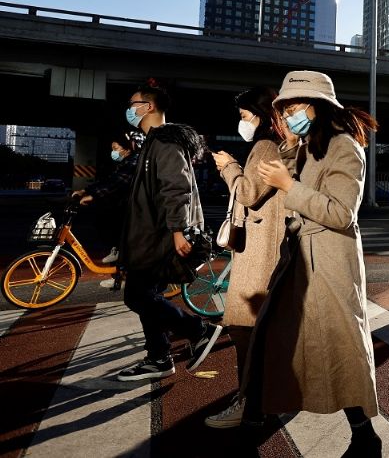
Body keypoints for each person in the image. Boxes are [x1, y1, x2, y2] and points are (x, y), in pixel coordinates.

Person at [250, 71, 381, 454]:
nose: (289, 114)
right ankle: (263, 406)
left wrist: (288, 186)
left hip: (329, 260)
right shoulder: (310, 145)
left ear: (317, 106)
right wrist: (291, 150)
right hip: (302, 261)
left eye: (294, 107)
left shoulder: (344, 147)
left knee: (339, 345)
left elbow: (341, 213)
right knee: (283, 338)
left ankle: (364, 436)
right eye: (285, 109)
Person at [116, 83, 222, 381]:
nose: (129, 108)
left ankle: (197, 329)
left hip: (160, 236)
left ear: (147, 107)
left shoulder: (165, 143)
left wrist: (178, 229)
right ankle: (159, 357)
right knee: (149, 296)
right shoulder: (152, 142)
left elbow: (177, 188)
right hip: (152, 234)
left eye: (132, 103)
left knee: (137, 297)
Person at [204, 88, 287, 428]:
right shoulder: (276, 145)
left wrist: (229, 167)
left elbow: (250, 193)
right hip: (265, 246)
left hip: (260, 251)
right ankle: (262, 402)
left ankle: (250, 405)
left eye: (243, 115)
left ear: (260, 114)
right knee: (258, 334)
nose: (241, 122)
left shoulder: (265, 146)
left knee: (245, 331)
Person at [71, 131, 144, 265]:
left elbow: (117, 183)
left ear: (127, 149)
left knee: (108, 221)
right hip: (127, 203)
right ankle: (118, 271)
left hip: (134, 206)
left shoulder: (134, 162)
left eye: (115, 149)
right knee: (107, 224)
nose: (113, 152)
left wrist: (93, 196)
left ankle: (119, 267)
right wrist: (85, 190)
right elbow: (109, 180)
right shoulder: (126, 162)